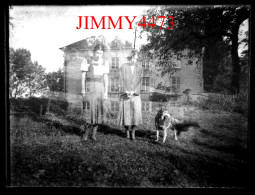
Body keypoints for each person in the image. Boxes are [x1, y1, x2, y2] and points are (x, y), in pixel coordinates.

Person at [80, 44, 109, 141]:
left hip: (100, 88)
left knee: (98, 111)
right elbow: (83, 77)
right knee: (88, 111)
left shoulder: (104, 62)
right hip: (89, 88)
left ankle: (93, 134)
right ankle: (85, 134)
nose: (99, 55)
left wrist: (105, 92)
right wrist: (83, 90)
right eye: (97, 52)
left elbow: (105, 78)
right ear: (94, 52)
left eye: (101, 53)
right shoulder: (87, 61)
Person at [118, 51, 142, 140]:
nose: (134, 60)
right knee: (126, 114)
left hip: (135, 95)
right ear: (129, 58)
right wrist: (125, 91)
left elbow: (140, 81)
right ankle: (127, 132)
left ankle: (133, 132)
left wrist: (134, 91)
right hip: (125, 95)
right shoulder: (123, 67)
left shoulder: (139, 67)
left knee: (136, 114)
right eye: (132, 58)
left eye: (135, 58)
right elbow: (120, 80)